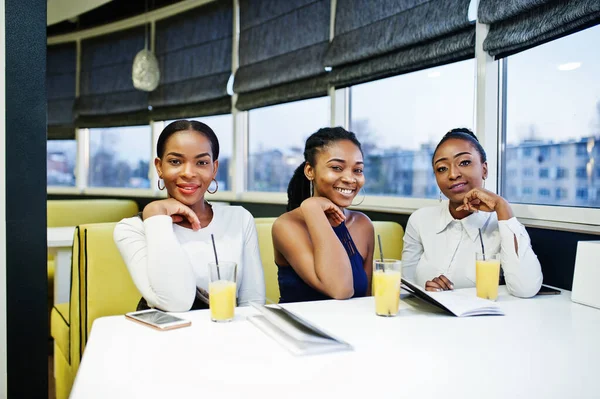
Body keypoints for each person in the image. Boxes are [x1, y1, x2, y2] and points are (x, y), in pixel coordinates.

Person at [114, 120, 265, 312]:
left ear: (214, 168)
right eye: (175, 161)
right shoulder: (131, 229)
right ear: (159, 167)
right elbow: (176, 302)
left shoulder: (240, 219)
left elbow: (252, 304)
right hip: (164, 337)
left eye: (201, 162)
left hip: (228, 333)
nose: (188, 173)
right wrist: (156, 214)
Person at [402, 128, 542, 297]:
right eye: (442, 168)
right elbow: (405, 288)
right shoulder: (420, 220)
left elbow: (525, 289)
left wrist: (501, 205)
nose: (453, 174)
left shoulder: (501, 225)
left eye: (464, 162)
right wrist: (427, 293)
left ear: (484, 169)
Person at [272, 127, 374, 303]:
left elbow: (366, 301)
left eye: (357, 170)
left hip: (351, 328)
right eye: (336, 167)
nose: (350, 179)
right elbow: (340, 289)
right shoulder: (286, 226)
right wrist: (312, 208)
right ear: (310, 171)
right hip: (298, 329)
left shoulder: (363, 225)